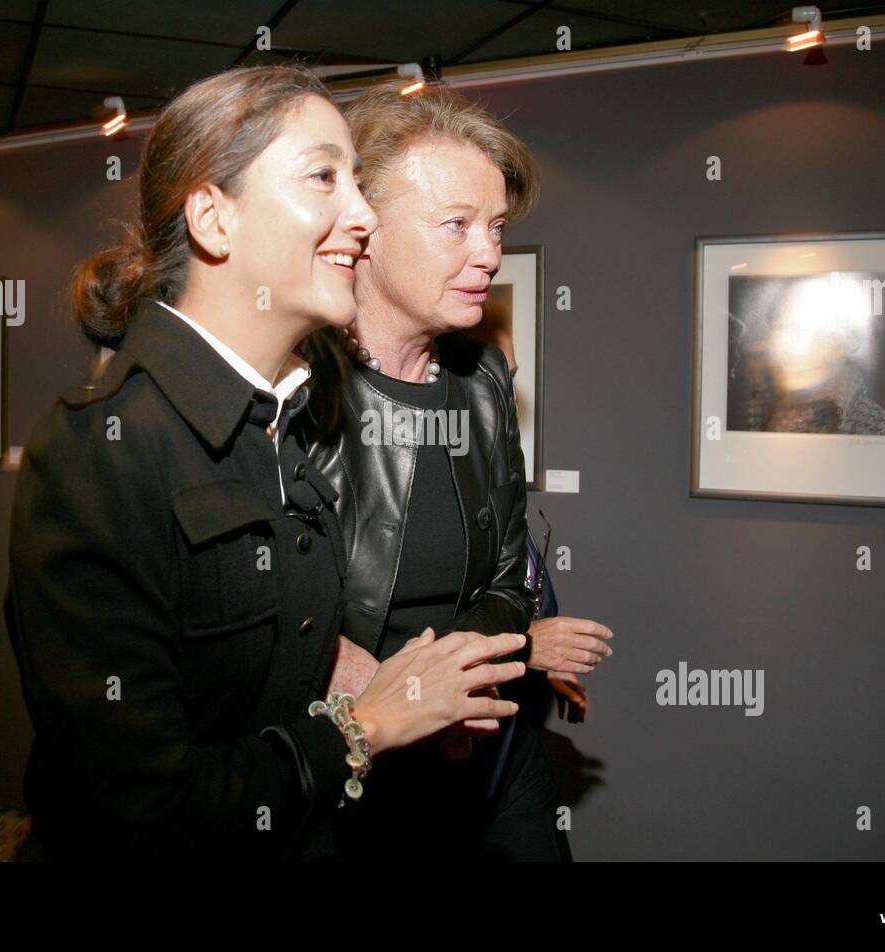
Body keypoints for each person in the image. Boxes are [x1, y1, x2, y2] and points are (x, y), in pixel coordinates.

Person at [4, 65, 527, 861]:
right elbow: (140, 808)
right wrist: (373, 722)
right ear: (214, 220)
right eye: (324, 177)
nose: (360, 215)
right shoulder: (102, 451)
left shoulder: (279, 422)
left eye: (357, 181)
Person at [306, 79, 572, 860]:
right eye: (456, 225)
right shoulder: (292, 388)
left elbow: (509, 576)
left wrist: (459, 684)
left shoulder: (483, 379)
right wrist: (401, 694)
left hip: (490, 744)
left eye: (493, 226)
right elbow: (257, 607)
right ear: (365, 227)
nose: (488, 252)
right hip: (359, 756)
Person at [468, 295, 615, 725]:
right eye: (495, 377)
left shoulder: (495, 477)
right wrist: (528, 646)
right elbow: (406, 647)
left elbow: (523, 584)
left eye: (508, 376)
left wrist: (551, 656)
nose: (509, 395)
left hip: (514, 739)